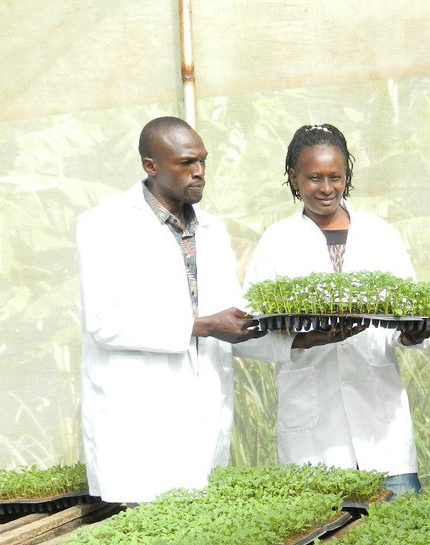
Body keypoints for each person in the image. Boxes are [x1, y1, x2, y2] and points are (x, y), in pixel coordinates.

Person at [78, 116, 287, 504]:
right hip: (138, 412)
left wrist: (298, 338)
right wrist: (202, 326)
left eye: (203, 161)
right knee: (144, 540)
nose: (199, 172)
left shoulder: (212, 229)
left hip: (203, 407)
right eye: (186, 163)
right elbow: (104, 323)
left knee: (198, 535)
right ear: (150, 166)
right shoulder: (103, 226)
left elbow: (227, 321)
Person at [244, 124, 426, 498]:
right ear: (294, 178)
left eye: (335, 177)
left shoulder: (381, 234)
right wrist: (303, 340)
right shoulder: (276, 241)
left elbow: (405, 311)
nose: (326, 188)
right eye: (313, 178)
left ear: (347, 176)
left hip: (381, 426)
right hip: (313, 430)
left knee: (402, 537)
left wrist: (409, 333)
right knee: (321, 543)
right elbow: (249, 331)